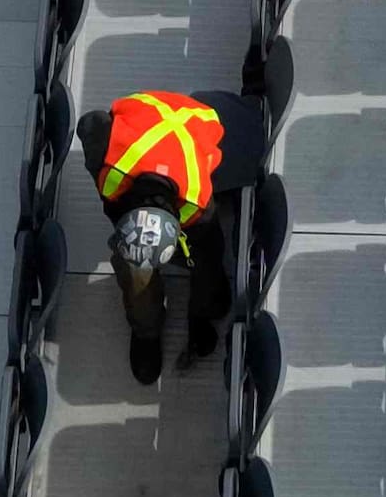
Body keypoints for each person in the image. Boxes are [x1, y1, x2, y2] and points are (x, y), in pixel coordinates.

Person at [89, 84, 259, 382]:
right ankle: (146, 330)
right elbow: (89, 124)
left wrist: (202, 313)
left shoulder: (196, 199)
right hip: (149, 121)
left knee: (206, 264)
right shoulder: (107, 158)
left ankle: (208, 306)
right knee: (134, 269)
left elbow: (206, 255)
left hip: (201, 124)